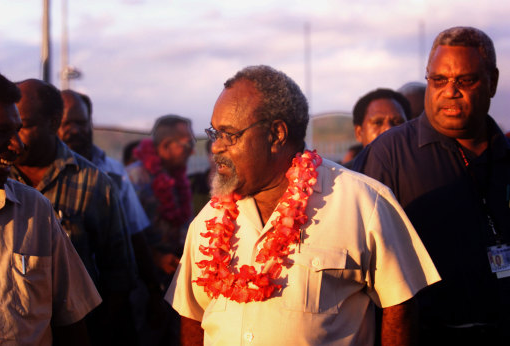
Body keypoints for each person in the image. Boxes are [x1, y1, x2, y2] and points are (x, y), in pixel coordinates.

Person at [165, 65, 440, 345]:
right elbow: (192, 317)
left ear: (276, 134)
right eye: (215, 133)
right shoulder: (208, 221)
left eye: (229, 134)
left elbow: (400, 310)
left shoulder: (363, 202)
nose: (215, 147)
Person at [353, 26, 510, 344]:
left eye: (464, 81)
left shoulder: (505, 154)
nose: (450, 91)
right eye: (438, 80)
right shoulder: (388, 155)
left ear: (492, 81)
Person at [10, 78, 137, 345]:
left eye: (24, 127)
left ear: (53, 123)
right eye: (9, 128)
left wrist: (97, 333)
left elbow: (118, 274)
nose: (14, 140)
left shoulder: (94, 183)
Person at [0, 69, 101, 345]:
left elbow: (72, 320)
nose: (17, 146)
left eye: (18, 130)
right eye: (1, 132)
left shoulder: (34, 210)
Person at [58, 89, 167, 343]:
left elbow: (135, 232)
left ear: (90, 122)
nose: (74, 130)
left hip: (109, 302)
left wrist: (153, 290)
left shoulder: (112, 172)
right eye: (66, 124)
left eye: (80, 122)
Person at [127, 114, 195, 345]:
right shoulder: (135, 177)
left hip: (174, 273)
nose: (192, 152)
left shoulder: (179, 177)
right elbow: (123, 233)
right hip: (143, 280)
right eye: (188, 144)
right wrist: (155, 257)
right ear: (166, 145)